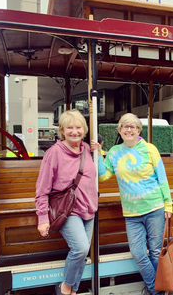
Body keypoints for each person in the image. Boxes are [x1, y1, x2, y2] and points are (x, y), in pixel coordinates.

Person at [90, 113, 172, 295]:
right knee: (138, 254)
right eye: (125, 126)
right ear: (119, 130)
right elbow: (103, 176)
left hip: (155, 208)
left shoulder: (150, 149)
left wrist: (168, 204)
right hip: (131, 213)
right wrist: (97, 154)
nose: (129, 129)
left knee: (155, 251)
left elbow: (162, 178)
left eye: (133, 126)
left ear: (138, 130)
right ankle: (156, 288)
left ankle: (158, 288)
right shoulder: (114, 152)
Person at [35, 109, 98, 295]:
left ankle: (72, 291)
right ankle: (65, 288)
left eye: (78, 127)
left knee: (82, 253)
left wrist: (100, 151)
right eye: (69, 127)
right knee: (80, 249)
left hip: (89, 209)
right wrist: (42, 218)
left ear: (84, 130)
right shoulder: (54, 153)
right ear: (62, 130)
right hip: (68, 211)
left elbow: (97, 174)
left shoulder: (87, 149)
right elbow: (42, 189)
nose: (74, 131)